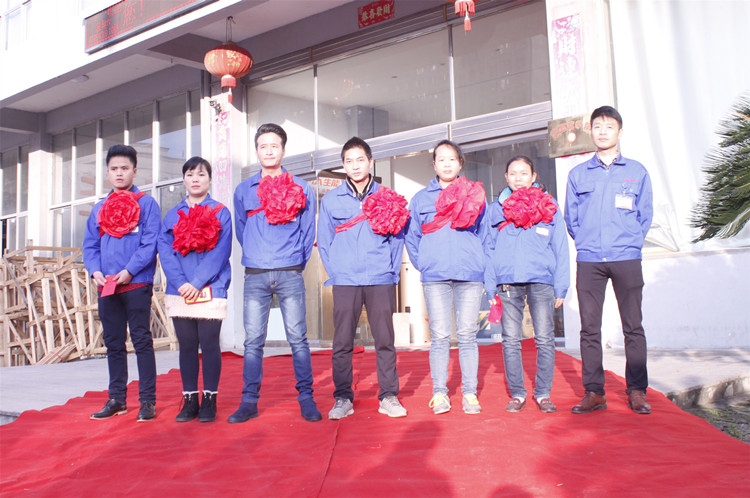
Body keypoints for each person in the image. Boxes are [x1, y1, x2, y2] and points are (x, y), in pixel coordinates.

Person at [229, 123, 321, 423]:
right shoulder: (243, 190)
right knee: (253, 341)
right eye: (263, 146)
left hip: (289, 271)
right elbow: (242, 230)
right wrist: (256, 252)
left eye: (274, 146)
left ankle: (306, 398)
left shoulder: (302, 188)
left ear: (283, 149)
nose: (268, 151)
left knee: (298, 338)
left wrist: (296, 262)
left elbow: (308, 231)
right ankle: (249, 401)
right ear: (256, 151)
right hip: (255, 272)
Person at [564, 105, 653, 415]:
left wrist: (630, 242)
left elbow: (644, 215)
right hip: (590, 260)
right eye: (598, 126)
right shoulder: (578, 174)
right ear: (591, 131)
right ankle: (594, 392)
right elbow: (572, 218)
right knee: (589, 328)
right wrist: (586, 242)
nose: (603, 131)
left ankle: (637, 391)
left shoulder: (637, 171)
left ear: (619, 132)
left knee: (633, 326)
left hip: (626, 257)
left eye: (609, 126)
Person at [317, 137, 409, 419]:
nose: (355, 166)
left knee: (385, 339)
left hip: (379, 277)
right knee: (342, 342)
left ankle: (388, 396)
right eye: (349, 161)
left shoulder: (387, 197)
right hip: (345, 279)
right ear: (343, 165)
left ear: (371, 162)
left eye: (360, 160)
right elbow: (325, 240)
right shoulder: (331, 199)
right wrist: (336, 271)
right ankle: (343, 398)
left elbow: (397, 238)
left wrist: (390, 272)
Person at [405, 139, 488, 415]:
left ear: (460, 163)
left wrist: (481, 265)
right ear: (434, 164)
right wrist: (425, 263)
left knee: (467, 335)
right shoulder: (421, 199)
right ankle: (440, 392)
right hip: (435, 276)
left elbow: (486, 234)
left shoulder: (475, 194)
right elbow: (412, 236)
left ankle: (469, 393)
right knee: (440, 336)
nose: (447, 164)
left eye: (452, 159)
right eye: (441, 159)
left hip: (469, 274)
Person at [485, 156, 569, 413]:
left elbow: (560, 245)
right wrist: (490, 283)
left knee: (544, 338)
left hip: (541, 279)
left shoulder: (548, 204)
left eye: (524, 173)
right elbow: (488, 247)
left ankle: (543, 393)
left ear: (533, 177)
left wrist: (561, 285)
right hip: (508, 281)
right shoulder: (496, 209)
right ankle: (518, 394)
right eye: (513, 173)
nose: (518, 178)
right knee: (511, 339)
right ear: (506, 178)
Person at [83, 144, 161, 422]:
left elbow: (150, 243)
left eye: (124, 168)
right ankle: (117, 399)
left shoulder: (147, 204)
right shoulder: (99, 208)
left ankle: (147, 401)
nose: (119, 173)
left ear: (134, 171)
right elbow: (90, 246)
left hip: (136, 282)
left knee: (142, 340)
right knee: (114, 342)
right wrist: (95, 271)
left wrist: (130, 271)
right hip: (107, 286)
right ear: (107, 172)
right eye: (114, 168)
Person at [157, 157, 232, 423]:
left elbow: (221, 252)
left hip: (210, 287)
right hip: (180, 290)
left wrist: (197, 282)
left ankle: (210, 398)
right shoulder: (172, 215)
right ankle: (190, 399)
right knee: (187, 345)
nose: (195, 179)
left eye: (201, 174)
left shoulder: (221, 212)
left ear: (210, 179)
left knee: (210, 344)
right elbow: (165, 252)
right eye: (190, 174)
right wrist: (181, 283)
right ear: (184, 180)